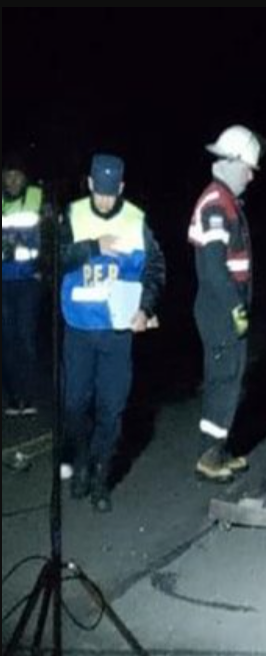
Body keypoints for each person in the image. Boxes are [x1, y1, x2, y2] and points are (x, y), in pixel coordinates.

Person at [59, 154, 165, 512]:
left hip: (117, 332)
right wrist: (92, 247)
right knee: (74, 405)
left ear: (120, 188)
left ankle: (101, 478)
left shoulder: (136, 221)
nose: (104, 200)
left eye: (111, 194)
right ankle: (82, 461)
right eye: (98, 192)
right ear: (89, 183)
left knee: (111, 409)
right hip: (78, 328)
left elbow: (155, 268)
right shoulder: (72, 216)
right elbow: (53, 258)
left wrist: (145, 309)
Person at [188, 124, 264, 482]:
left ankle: (219, 447)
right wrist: (236, 307)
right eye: (248, 167)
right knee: (224, 378)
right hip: (221, 309)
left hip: (226, 306)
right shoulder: (216, 204)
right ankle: (209, 456)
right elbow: (213, 268)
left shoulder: (226, 201)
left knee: (228, 377)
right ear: (232, 162)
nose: (251, 175)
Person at [2, 152, 49, 416]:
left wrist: (45, 270)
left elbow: (51, 235)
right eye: (7, 175)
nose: (12, 180)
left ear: (24, 177)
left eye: (17, 175)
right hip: (3, 282)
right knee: (7, 340)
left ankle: (28, 395)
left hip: (29, 282)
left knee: (26, 338)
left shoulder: (37, 198)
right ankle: (14, 396)